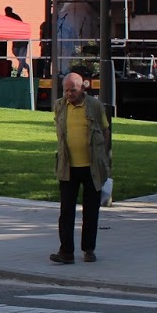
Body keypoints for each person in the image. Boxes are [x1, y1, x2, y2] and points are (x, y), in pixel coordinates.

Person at [52, 71, 112, 265]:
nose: (69, 94)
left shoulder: (94, 105)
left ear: (82, 88)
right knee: (66, 211)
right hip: (68, 167)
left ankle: (88, 249)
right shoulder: (60, 106)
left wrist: (102, 155)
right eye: (66, 90)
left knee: (91, 211)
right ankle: (66, 252)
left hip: (91, 167)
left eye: (73, 90)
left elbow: (105, 131)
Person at [5, 7, 29, 77]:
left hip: (23, 38)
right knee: (14, 51)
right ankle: (27, 67)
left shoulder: (15, 17)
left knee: (21, 57)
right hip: (16, 39)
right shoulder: (7, 18)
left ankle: (18, 73)